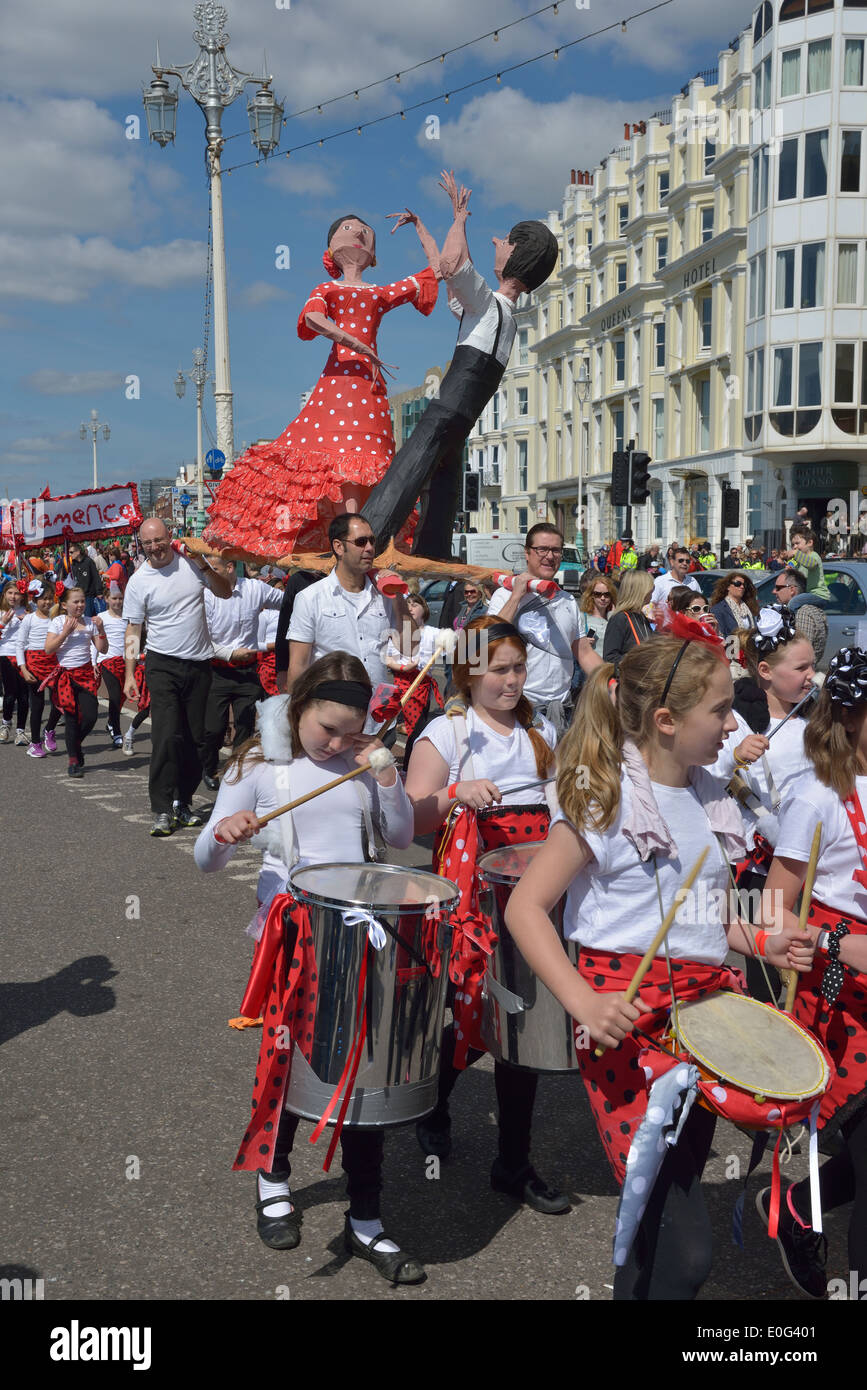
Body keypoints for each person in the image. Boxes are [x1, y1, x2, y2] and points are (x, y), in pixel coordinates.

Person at [502, 628, 813, 1299]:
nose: (734, 723)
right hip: (626, 1017)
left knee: (658, 1206)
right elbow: (525, 909)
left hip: (700, 1009)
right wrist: (581, 1003)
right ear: (666, 721)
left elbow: (703, 913)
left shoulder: (709, 796)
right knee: (685, 1246)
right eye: (722, 710)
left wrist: (765, 940)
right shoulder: (606, 795)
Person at [194, 653, 423, 1283]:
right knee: (293, 1059)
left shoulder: (360, 763)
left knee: (365, 1068)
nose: (337, 741)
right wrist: (226, 832)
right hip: (296, 935)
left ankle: (367, 1217)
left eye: (351, 731)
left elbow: (400, 837)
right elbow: (204, 858)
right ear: (297, 710)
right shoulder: (263, 769)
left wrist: (384, 778)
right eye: (327, 728)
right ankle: (274, 1178)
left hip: (362, 929)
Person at [405, 616, 567, 1211]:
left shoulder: (541, 726)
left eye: (519, 668)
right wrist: (457, 794)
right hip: (472, 893)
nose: (512, 680)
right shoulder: (448, 732)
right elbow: (412, 817)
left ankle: (513, 1162)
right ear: (471, 672)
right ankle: (436, 1096)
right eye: (499, 669)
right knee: (474, 1009)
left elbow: (563, 803)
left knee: (520, 1017)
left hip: (535, 889)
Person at [203, 215, 438, 557]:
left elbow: (437, 271)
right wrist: (356, 343)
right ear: (330, 250)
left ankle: (367, 551)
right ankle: (353, 548)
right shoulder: (326, 289)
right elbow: (312, 317)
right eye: (348, 228)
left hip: (369, 391)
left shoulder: (379, 292)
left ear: (373, 256)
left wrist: (421, 226)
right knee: (336, 467)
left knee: (366, 467)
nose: (358, 231)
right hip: (338, 388)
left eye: (365, 231)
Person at [362, 172, 559, 558]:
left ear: (516, 255)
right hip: (464, 421)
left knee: (402, 477)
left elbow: (453, 266)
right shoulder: (507, 318)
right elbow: (450, 272)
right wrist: (423, 230)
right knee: (441, 490)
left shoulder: (488, 306)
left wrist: (460, 216)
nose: (496, 243)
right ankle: (430, 559)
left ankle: (361, 545)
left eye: (504, 242)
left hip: (445, 409)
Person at [761, 648, 867, 1297]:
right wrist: (835, 940)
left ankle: (802, 1203)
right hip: (843, 989)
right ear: (855, 715)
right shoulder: (816, 796)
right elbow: (772, 908)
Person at [710, 606, 815, 1003]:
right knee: (767, 966)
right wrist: (735, 755)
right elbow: (706, 773)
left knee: (801, 956)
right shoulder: (737, 717)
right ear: (766, 671)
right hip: (759, 865)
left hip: (805, 863)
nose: (811, 675)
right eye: (801, 667)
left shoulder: (815, 717)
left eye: (812, 666)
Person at [122, 519, 233, 837]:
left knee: (198, 739)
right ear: (141, 545)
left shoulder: (192, 563)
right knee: (167, 736)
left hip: (198, 664)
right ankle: (161, 809)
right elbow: (134, 629)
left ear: (170, 537)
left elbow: (225, 592)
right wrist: (130, 672)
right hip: (162, 665)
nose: (154, 548)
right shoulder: (139, 581)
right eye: (147, 543)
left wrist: (204, 564)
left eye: (158, 540)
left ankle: (182, 802)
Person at [486, 524, 600, 733]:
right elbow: (489, 639)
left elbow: (583, 651)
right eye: (542, 549)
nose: (550, 556)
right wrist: (518, 594)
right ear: (527, 553)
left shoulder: (567, 600)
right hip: (519, 707)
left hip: (562, 710)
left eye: (556, 550)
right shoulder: (504, 596)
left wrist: (610, 680)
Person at [286, 514, 410, 695]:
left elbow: (409, 648)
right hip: (332, 714)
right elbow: (298, 666)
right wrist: (296, 717)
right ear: (338, 547)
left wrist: (398, 598)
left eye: (372, 541)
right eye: (361, 542)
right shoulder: (310, 598)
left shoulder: (385, 595)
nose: (369, 548)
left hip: (378, 717)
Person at [201, 555, 284, 791]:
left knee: (245, 725)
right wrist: (229, 654)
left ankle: (234, 773)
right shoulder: (207, 595)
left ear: (230, 567)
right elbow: (203, 640)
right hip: (217, 669)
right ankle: (208, 767)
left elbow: (288, 601)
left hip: (248, 671)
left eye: (213, 569)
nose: (209, 574)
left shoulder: (255, 588)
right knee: (214, 729)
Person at [44, 586, 108, 777]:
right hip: (65, 676)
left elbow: (103, 649)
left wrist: (101, 629)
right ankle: (73, 760)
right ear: (64, 605)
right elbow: (48, 649)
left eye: (82, 601)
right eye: (76, 601)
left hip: (86, 675)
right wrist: (65, 632)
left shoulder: (90, 622)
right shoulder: (57, 622)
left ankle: (75, 744)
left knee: (90, 717)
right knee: (71, 719)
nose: (80, 605)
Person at [380, 592, 444, 767]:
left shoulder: (434, 633)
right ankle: (388, 764)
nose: (410, 608)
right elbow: (386, 657)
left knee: (417, 728)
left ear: (425, 608)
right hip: (399, 683)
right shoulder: (395, 631)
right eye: (407, 604)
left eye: (415, 604)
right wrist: (403, 668)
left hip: (422, 686)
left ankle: (411, 765)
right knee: (390, 726)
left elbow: (458, 650)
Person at [16, 578, 62, 757]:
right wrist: (24, 669)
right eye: (43, 598)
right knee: (37, 705)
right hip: (34, 664)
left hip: (54, 664)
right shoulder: (29, 619)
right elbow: (20, 645)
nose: (47, 602)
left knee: (60, 703)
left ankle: (49, 730)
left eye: (50, 598)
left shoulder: (57, 619)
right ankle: (35, 743)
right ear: (35, 600)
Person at [770, 568, 827, 668]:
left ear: (792, 590)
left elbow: (801, 655)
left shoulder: (803, 613)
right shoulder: (802, 610)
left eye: (778, 588)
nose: (774, 591)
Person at [96, 583, 130, 749]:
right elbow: (95, 640)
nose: (117, 601)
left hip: (125, 661)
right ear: (107, 599)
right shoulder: (101, 617)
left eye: (120, 598)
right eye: (114, 598)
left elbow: (132, 640)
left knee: (123, 696)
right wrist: (93, 660)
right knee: (115, 696)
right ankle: (116, 731)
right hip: (107, 660)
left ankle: (110, 722)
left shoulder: (128, 617)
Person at [602, 570, 654, 670]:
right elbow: (610, 657)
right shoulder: (620, 618)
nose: (652, 593)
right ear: (641, 591)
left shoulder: (641, 616)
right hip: (628, 680)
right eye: (650, 590)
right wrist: (637, 660)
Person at [0, 581, 30, 745]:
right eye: (10, 593)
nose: (13, 596)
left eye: (17, 593)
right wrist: (3, 622)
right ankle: (5, 724)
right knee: (10, 693)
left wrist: (27, 620)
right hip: (6, 654)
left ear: (22, 595)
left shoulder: (29, 611)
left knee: (24, 696)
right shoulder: (1, 612)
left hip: (25, 656)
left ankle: (21, 731)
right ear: (4, 594)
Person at [709, 571, 759, 639]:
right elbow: (720, 636)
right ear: (728, 587)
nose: (742, 587)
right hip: (732, 647)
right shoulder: (718, 609)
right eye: (738, 584)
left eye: (744, 585)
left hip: (751, 647)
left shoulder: (749, 606)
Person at [787, 527, 830, 601]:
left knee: (793, 603)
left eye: (797, 543)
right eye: (793, 544)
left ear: (810, 543)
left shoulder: (813, 555)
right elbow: (790, 568)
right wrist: (789, 568)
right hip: (806, 594)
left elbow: (811, 564)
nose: (795, 547)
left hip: (817, 594)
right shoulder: (797, 559)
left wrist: (795, 553)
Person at [64, 543, 103, 618]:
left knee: (88, 617)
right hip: (78, 595)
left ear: (78, 552)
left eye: (71, 552)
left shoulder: (89, 562)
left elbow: (96, 577)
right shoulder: (73, 564)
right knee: (79, 617)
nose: (70, 554)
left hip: (89, 595)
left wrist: (99, 592)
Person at [580, 574, 616, 647]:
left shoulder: (615, 619)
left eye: (607, 594)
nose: (602, 598)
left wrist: (614, 616)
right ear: (592, 595)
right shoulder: (582, 617)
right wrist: (582, 643)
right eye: (598, 594)